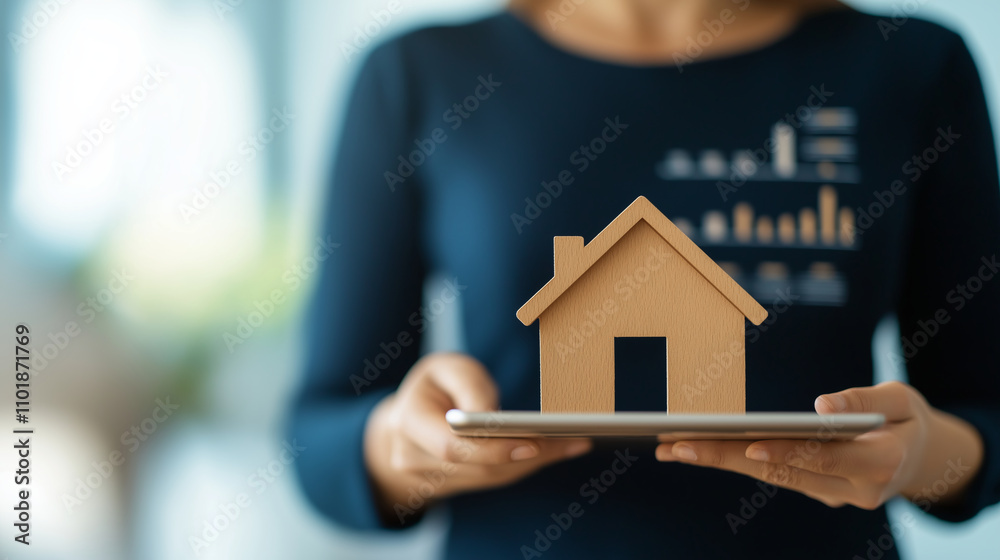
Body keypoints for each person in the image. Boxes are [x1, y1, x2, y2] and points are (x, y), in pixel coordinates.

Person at [290, 0, 1000, 557]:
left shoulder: (912, 65)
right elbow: (319, 431)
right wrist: (400, 444)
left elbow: (985, 417)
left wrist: (922, 457)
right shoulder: (420, 74)